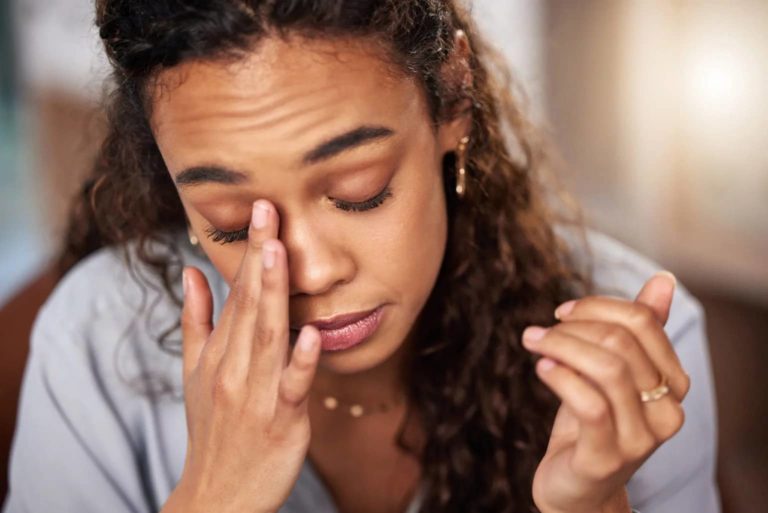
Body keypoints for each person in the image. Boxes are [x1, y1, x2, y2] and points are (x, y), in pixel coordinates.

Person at [2, 1, 720, 512]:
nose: (309, 272)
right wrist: (213, 497)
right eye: (230, 222)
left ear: (454, 97)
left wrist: (592, 505)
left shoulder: (639, 344)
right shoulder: (93, 345)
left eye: (359, 192)